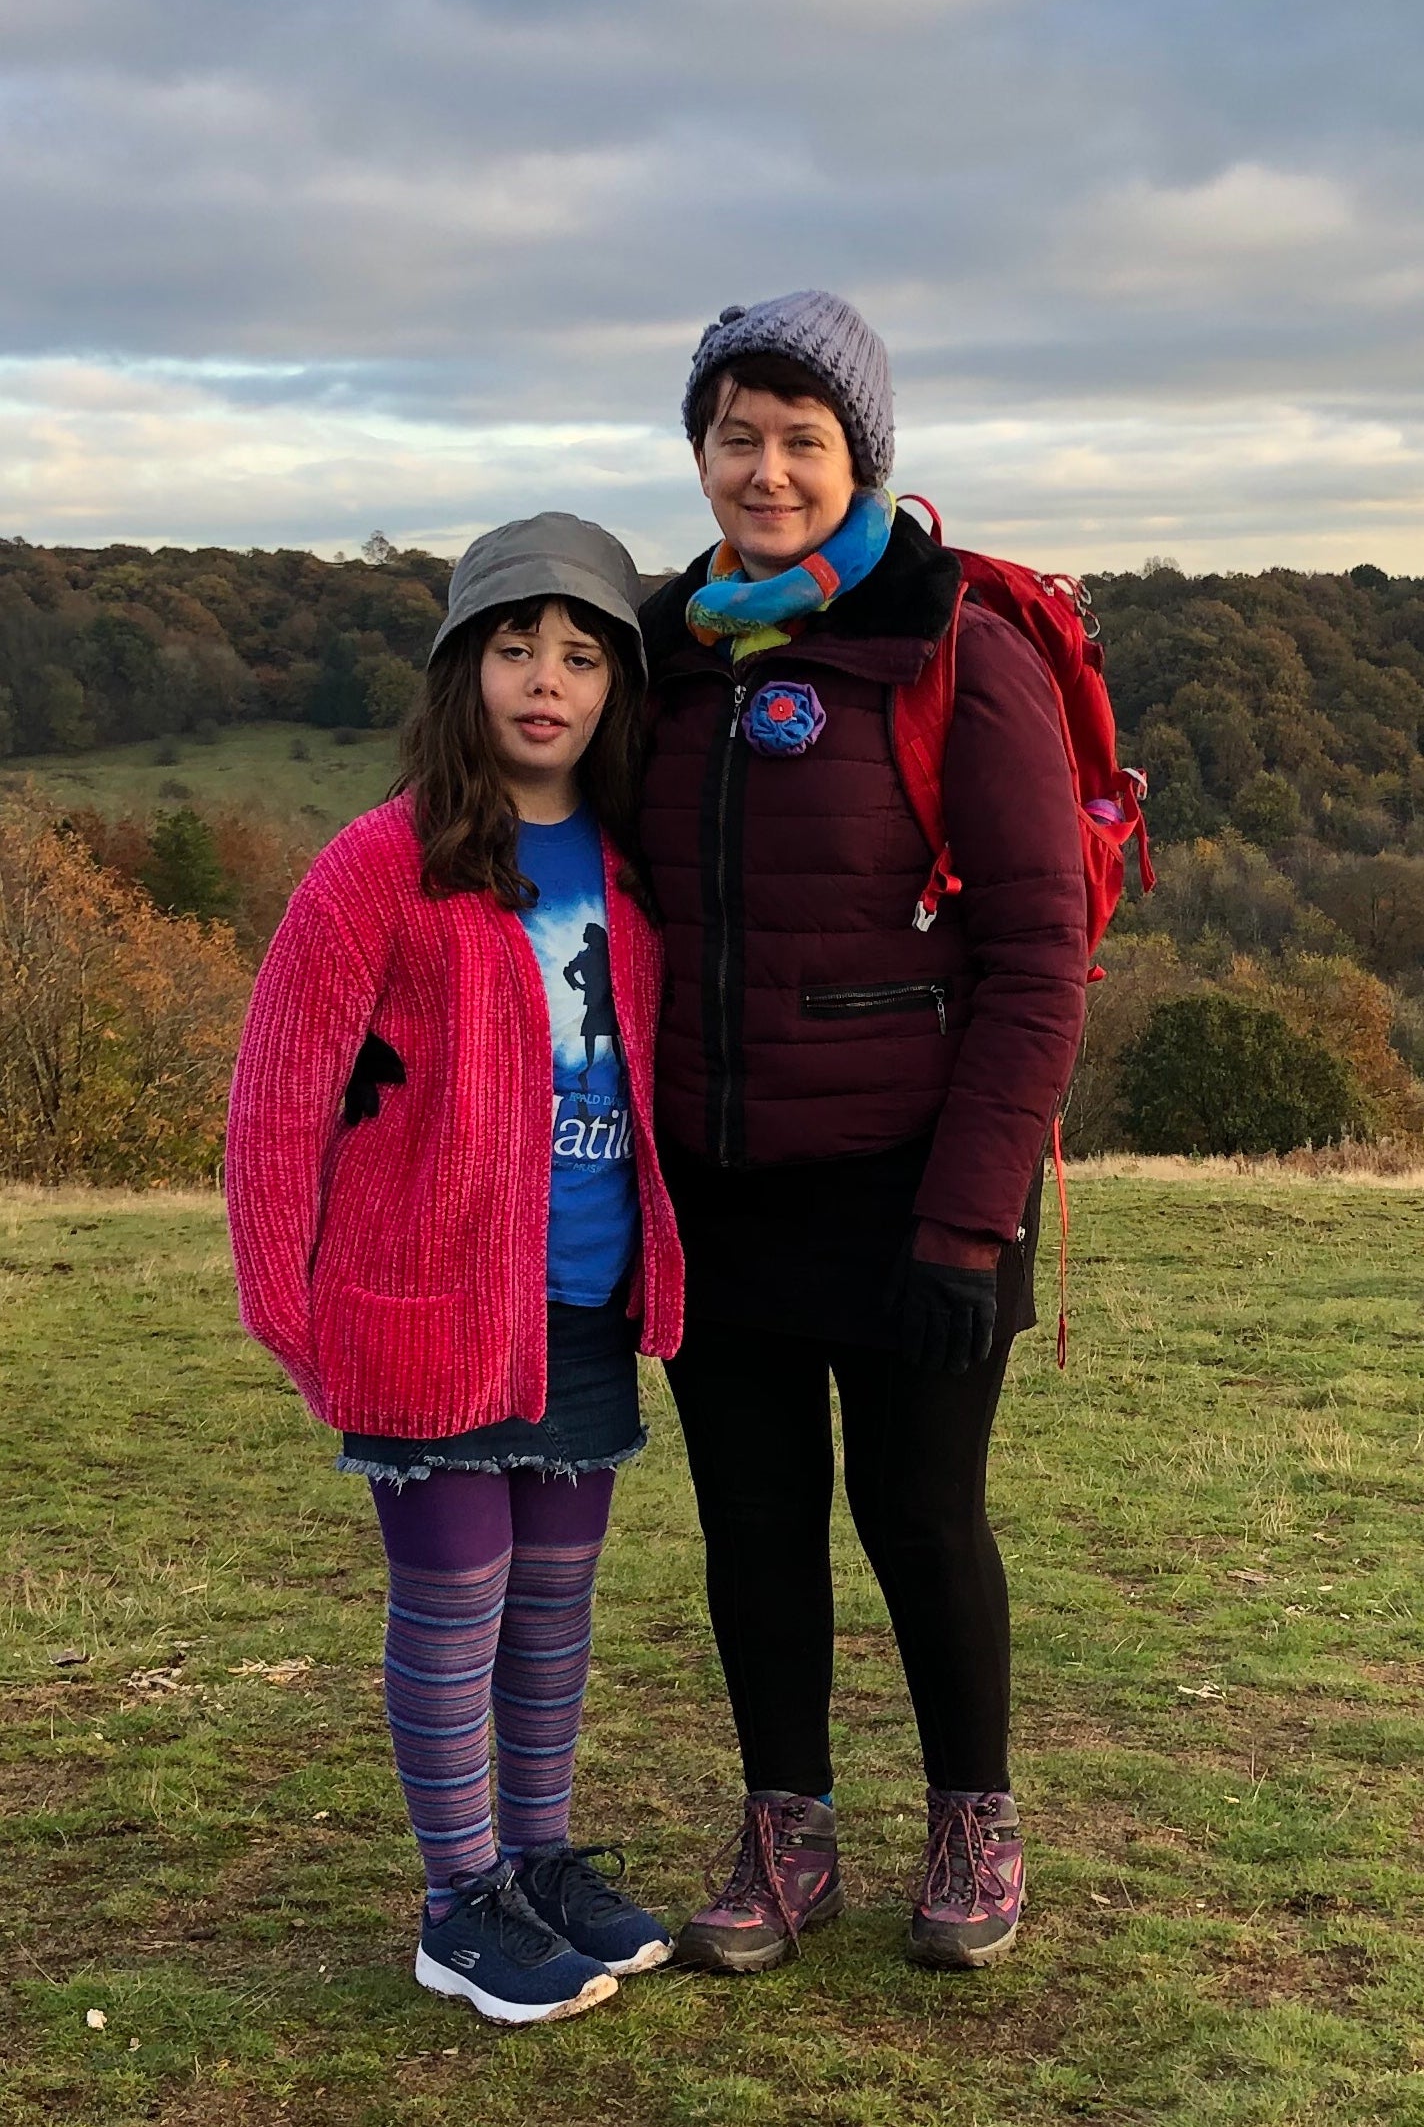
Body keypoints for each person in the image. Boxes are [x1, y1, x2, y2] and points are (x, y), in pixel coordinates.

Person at [638, 292, 1088, 1972]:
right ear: (698, 452)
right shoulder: (664, 649)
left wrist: (969, 1223)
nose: (766, 470)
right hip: (719, 1187)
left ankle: (975, 1820)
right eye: (736, 436)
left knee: (920, 1512)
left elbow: (1041, 952)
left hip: (917, 1189)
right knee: (752, 1524)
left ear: (863, 458)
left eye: (801, 441)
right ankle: (784, 1831)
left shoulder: (955, 644)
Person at [226, 514, 684, 2026]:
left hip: (583, 1297)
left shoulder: (630, 871)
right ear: (459, 665)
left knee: (557, 1598)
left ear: (616, 682)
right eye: (512, 645)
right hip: (424, 1306)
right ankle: (457, 1898)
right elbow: (280, 1096)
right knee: (457, 1597)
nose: (544, 681)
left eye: (578, 653)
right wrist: (288, 1309)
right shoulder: (382, 863)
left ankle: (540, 1861)